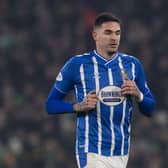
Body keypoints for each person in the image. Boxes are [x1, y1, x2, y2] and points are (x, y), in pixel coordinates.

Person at [45, 12, 155, 168]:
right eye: (108, 32)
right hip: (91, 151)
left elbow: (150, 109)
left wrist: (138, 95)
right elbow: (50, 105)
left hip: (121, 151)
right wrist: (77, 106)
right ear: (95, 35)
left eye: (117, 33)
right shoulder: (77, 64)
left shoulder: (132, 64)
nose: (114, 38)